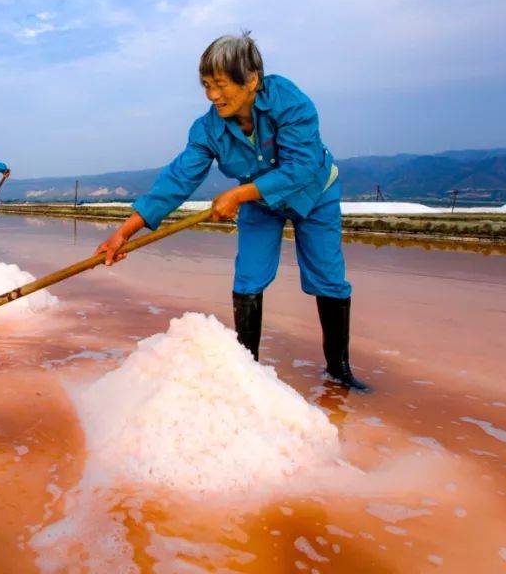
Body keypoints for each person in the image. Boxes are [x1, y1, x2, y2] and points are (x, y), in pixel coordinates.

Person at [96, 33, 368, 391]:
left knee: (327, 276)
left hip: (313, 193)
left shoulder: (291, 102)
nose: (212, 95)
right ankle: (248, 372)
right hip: (258, 203)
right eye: (207, 85)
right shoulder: (208, 128)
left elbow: (301, 167)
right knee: (248, 278)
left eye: (220, 85)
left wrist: (238, 193)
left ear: (252, 79)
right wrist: (125, 231)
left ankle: (339, 371)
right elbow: (177, 179)